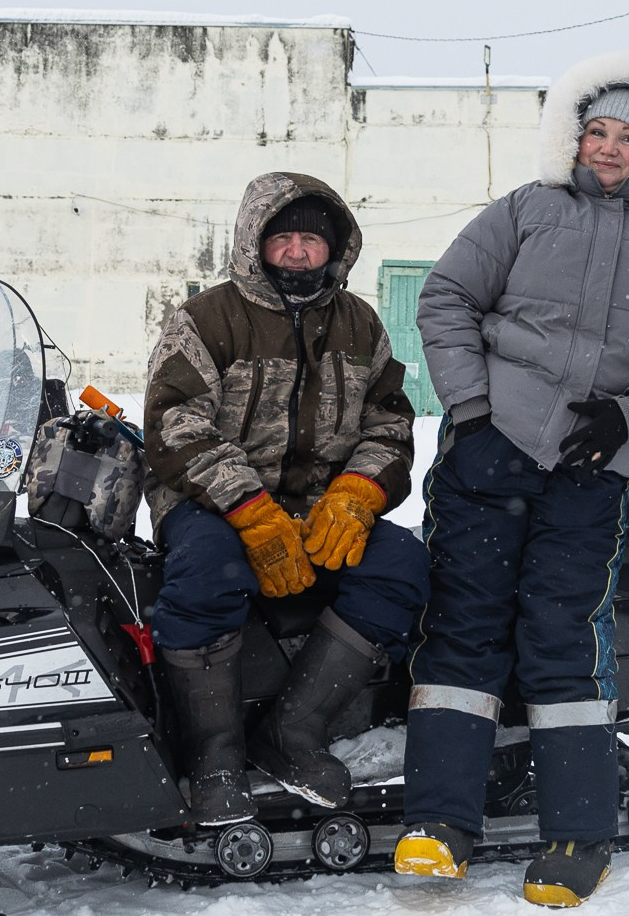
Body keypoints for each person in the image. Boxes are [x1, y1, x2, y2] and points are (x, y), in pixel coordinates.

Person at [395, 52, 629, 907]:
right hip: (488, 457)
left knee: (563, 637)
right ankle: (439, 826)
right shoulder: (524, 211)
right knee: (465, 628)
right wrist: (470, 413)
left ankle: (578, 834)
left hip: (591, 470)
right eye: (597, 132)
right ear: (574, 139)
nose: (609, 149)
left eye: (628, 138)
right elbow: (445, 298)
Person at [142, 171, 427, 822]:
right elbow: (173, 423)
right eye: (283, 238)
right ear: (254, 242)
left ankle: (291, 732)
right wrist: (249, 509)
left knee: (401, 564)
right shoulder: (207, 319)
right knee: (208, 572)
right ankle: (213, 755)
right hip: (209, 502)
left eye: (312, 240)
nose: (298, 251)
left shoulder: (360, 326)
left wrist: (356, 493)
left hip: (320, 507)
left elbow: (390, 424)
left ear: (336, 249)